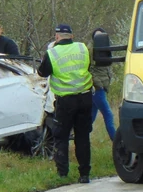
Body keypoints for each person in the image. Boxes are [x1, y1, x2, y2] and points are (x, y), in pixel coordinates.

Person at [38, 23, 93, 183]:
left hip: (66, 101)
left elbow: (42, 72)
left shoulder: (52, 53)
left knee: (61, 136)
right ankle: (84, 174)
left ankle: (62, 173)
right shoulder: (82, 48)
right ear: (72, 36)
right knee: (82, 137)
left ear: (56, 37)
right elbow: (88, 66)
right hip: (85, 97)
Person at [89, 27, 117, 142]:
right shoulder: (91, 49)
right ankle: (117, 142)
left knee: (91, 117)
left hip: (101, 87)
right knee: (108, 114)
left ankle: (81, 138)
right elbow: (89, 68)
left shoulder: (103, 49)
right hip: (97, 89)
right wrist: (98, 84)